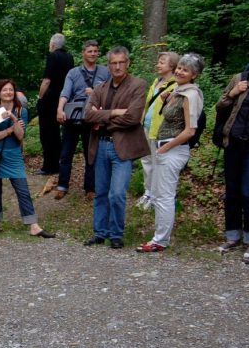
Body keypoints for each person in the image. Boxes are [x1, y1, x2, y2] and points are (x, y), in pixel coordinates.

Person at [136, 54, 204, 252]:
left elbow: (190, 130)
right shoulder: (178, 89)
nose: (180, 71)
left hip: (172, 150)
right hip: (163, 147)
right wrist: (167, 97)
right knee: (157, 194)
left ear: (194, 75)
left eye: (185, 70)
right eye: (179, 68)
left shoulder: (190, 95)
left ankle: (160, 240)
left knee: (164, 196)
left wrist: (166, 147)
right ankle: (159, 236)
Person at [83, 46, 148, 249]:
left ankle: (116, 234)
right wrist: (114, 113)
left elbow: (133, 117)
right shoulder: (101, 87)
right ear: (108, 65)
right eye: (113, 63)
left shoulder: (138, 85)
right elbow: (87, 115)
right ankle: (100, 233)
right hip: (100, 145)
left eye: (121, 62)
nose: (118, 66)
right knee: (100, 192)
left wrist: (102, 117)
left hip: (122, 147)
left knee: (117, 193)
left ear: (128, 63)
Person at [0, 79, 55, 238]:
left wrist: (13, 119)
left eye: (11, 90)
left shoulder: (20, 111)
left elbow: (21, 135)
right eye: (5, 90)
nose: (8, 92)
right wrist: (9, 130)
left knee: (22, 189)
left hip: (13, 154)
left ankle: (34, 226)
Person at [54, 40, 110, 200]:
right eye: (89, 51)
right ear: (83, 53)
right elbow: (65, 93)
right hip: (73, 116)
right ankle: (62, 185)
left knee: (90, 154)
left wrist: (94, 92)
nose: (93, 54)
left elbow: (110, 95)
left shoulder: (105, 72)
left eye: (95, 51)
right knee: (65, 153)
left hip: (92, 118)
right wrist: (59, 109)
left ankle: (90, 188)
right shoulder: (73, 73)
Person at [215, 62, 249, 255]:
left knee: (248, 192)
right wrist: (233, 92)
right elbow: (220, 106)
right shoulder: (239, 78)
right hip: (233, 143)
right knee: (232, 191)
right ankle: (233, 235)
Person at [138, 51, 179, 209]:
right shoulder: (156, 81)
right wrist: (140, 122)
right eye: (159, 61)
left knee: (157, 163)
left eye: (162, 62)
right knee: (146, 161)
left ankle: (156, 196)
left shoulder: (176, 86)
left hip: (160, 131)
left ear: (171, 66)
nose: (158, 64)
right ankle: (148, 192)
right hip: (147, 127)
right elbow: (148, 104)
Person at [36, 34, 74, 175]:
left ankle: (48, 166)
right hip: (64, 99)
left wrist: (40, 98)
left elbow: (47, 80)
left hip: (50, 100)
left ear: (52, 44)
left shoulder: (53, 56)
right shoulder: (69, 57)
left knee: (47, 133)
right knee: (57, 134)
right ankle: (58, 163)